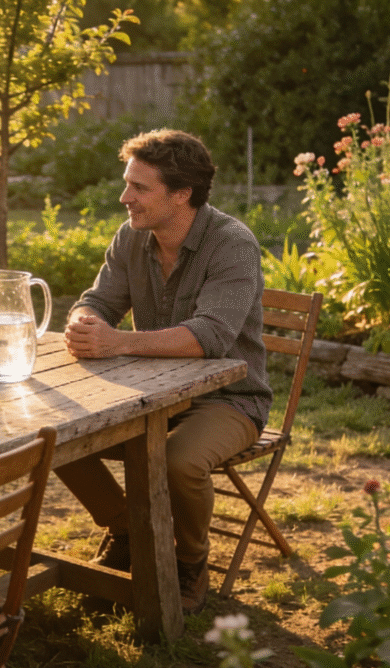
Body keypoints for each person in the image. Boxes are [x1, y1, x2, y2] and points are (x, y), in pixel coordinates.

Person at [55, 129, 271, 615]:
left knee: (178, 461)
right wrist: (84, 324)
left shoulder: (232, 244)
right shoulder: (132, 238)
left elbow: (211, 336)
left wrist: (118, 342)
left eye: (139, 187)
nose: (123, 197)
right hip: (148, 395)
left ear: (181, 194)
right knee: (55, 434)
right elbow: (98, 301)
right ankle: (127, 528)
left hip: (230, 398)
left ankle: (190, 562)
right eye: (126, 183)